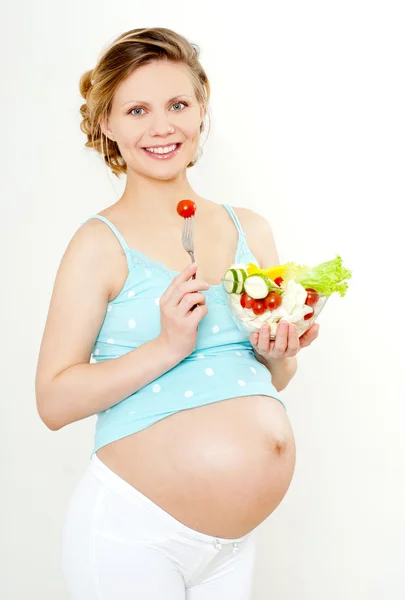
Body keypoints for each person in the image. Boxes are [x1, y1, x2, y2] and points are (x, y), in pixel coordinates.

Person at [35, 27, 319, 600]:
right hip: (131, 538)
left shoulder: (250, 229)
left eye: (177, 105)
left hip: (229, 549)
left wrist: (276, 352)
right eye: (137, 110)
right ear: (107, 124)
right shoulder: (98, 243)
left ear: (201, 108)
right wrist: (166, 347)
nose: (162, 127)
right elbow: (53, 402)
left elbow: (271, 377)